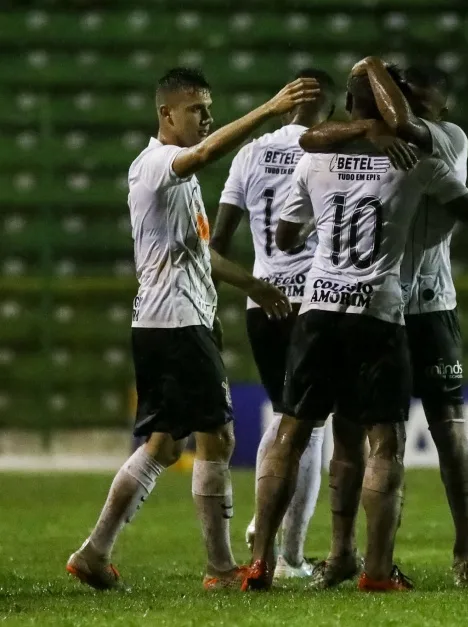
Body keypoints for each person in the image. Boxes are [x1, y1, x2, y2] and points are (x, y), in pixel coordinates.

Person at [65, 67, 318, 591]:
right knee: (217, 438)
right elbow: (203, 156)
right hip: (177, 324)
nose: (207, 118)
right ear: (166, 114)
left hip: (173, 320)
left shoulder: (176, 178)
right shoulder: (159, 165)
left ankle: (95, 551)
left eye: (209, 108)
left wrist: (254, 285)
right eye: (197, 109)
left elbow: (202, 252)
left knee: (163, 445)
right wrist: (270, 111)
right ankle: (221, 569)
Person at [240, 65, 468, 593]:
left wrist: (324, 223)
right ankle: (367, 565)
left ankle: (261, 560)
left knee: (295, 430)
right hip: (381, 310)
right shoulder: (415, 160)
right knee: (383, 441)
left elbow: (286, 237)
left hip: (325, 306)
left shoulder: (320, 159)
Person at [209, 68, 340, 580]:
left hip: (262, 304)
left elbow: (217, 243)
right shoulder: (330, 150)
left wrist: (248, 287)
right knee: (308, 425)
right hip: (315, 300)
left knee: (285, 417)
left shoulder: (250, 153)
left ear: (288, 103)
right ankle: (288, 554)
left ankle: (265, 523)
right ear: (329, 109)